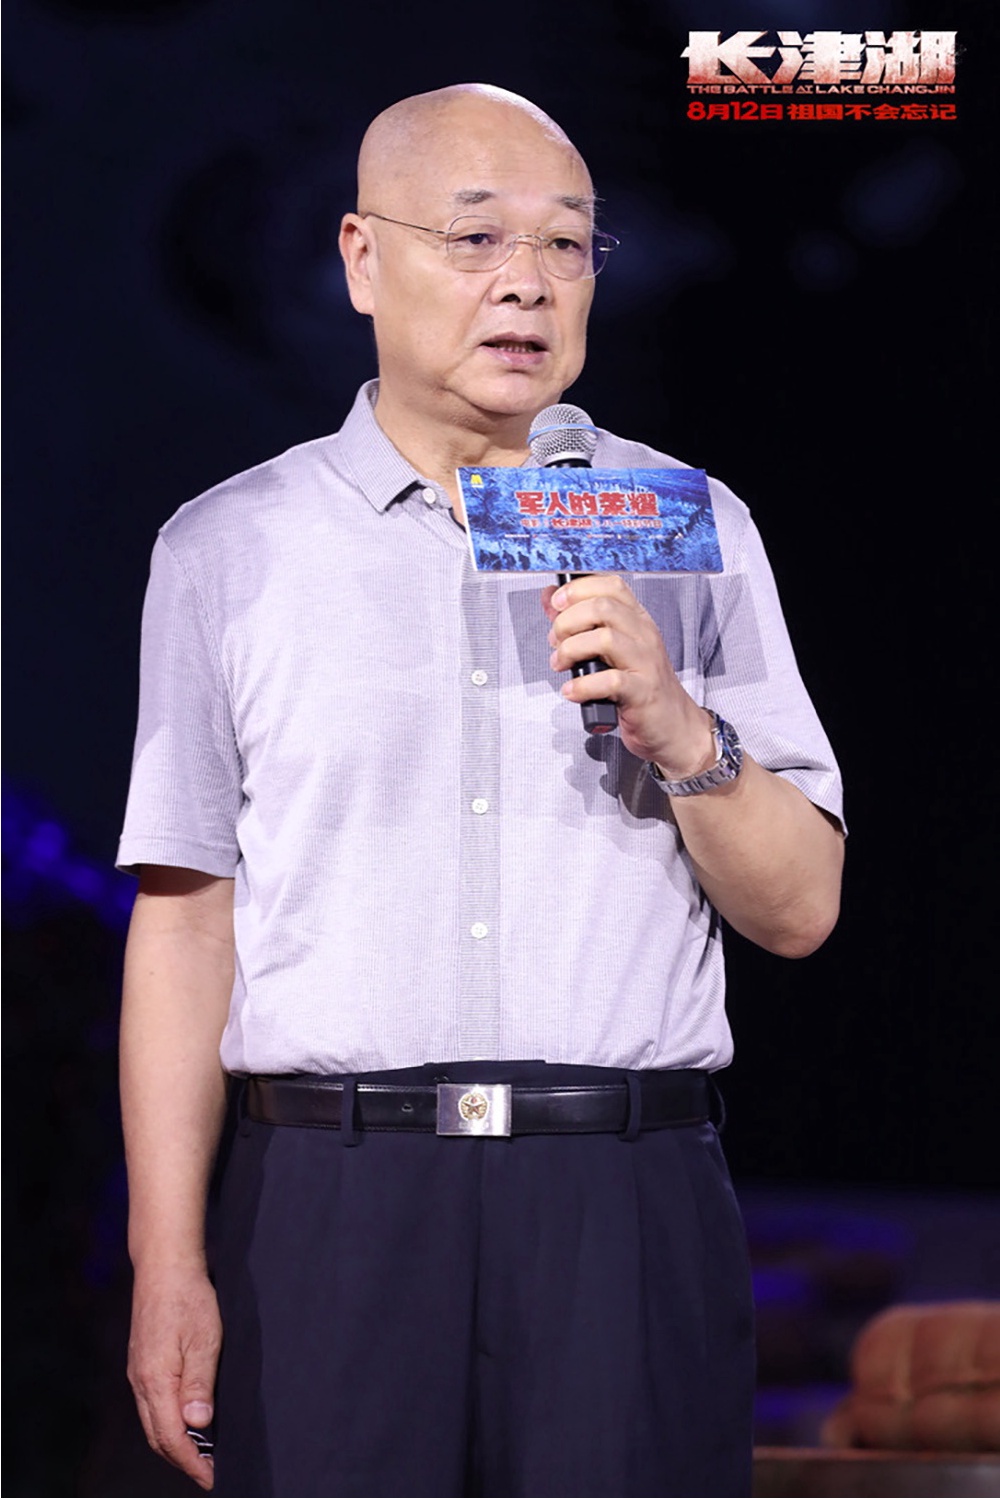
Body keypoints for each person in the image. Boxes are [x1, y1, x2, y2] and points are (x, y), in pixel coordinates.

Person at [118, 83, 845, 1498]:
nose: (527, 281)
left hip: (619, 1202)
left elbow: (802, 908)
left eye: (567, 244)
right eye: (476, 238)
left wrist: (679, 727)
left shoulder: (687, 526)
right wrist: (167, 1260)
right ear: (360, 259)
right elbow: (187, 920)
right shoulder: (230, 548)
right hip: (332, 1207)